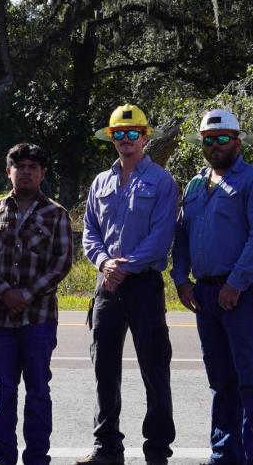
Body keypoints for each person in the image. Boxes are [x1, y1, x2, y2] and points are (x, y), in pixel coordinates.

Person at [172, 109, 253, 465]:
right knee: (221, 381)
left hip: (244, 294)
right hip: (204, 295)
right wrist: (180, 279)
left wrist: (235, 283)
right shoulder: (196, 184)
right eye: (208, 140)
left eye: (222, 139)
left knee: (251, 382)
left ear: (237, 141)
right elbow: (183, 234)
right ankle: (224, 455)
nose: (215, 146)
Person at [77, 104, 178, 465]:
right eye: (118, 134)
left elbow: (162, 233)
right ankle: (107, 448)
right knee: (104, 368)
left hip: (143, 286)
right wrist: (105, 263)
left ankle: (157, 451)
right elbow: (90, 231)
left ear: (145, 137)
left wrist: (126, 266)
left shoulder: (162, 182)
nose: (125, 140)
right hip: (107, 286)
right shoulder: (100, 183)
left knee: (154, 368)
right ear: (111, 138)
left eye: (132, 134)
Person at [0, 144, 73, 465]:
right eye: (20, 166)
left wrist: (27, 295)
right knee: (2, 391)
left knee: (38, 392)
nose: (26, 171)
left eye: (33, 166)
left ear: (43, 173)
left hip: (40, 319)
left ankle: (36, 458)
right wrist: (5, 291)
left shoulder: (57, 213)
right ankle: (1, 458)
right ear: (9, 171)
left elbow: (62, 263)